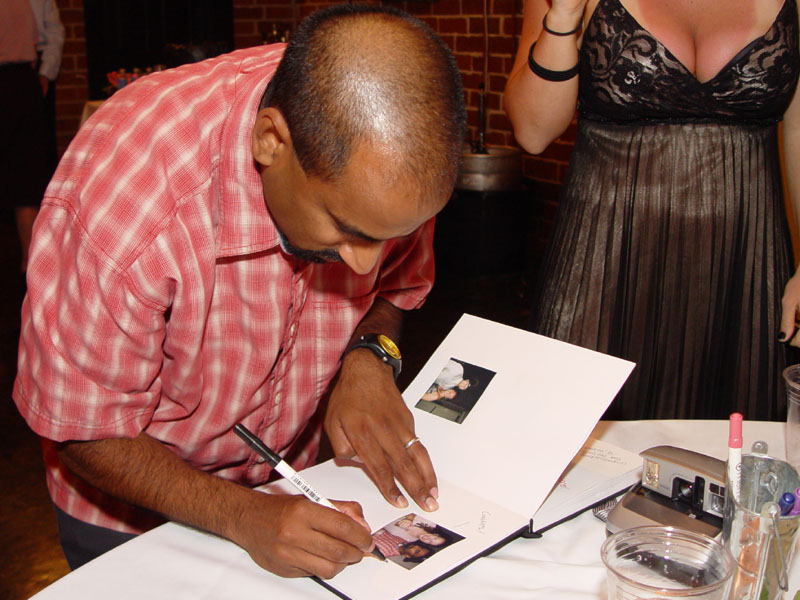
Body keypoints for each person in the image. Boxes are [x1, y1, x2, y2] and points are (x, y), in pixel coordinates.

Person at [13, 4, 466, 580]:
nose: (366, 264)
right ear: (271, 141)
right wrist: (242, 515)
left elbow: (395, 285)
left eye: (391, 235)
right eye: (348, 230)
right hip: (129, 518)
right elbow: (83, 430)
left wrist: (370, 356)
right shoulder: (127, 200)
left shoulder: (384, 169)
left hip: (286, 487)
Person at [504, 0, 800, 420]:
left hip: (742, 265)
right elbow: (533, 132)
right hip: (605, 264)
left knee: (734, 445)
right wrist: (563, 17)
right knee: (570, 431)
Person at [0, 0, 50, 272]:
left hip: (9, 81)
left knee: (24, 176)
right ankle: (30, 263)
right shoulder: (22, 3)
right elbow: (36, 43)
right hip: (23, 85)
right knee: (26, 178)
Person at [30, 0, 65, 177]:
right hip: (9, 61)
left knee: (42, 138)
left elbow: (55, 32)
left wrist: (45, 73)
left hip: (40, 61)